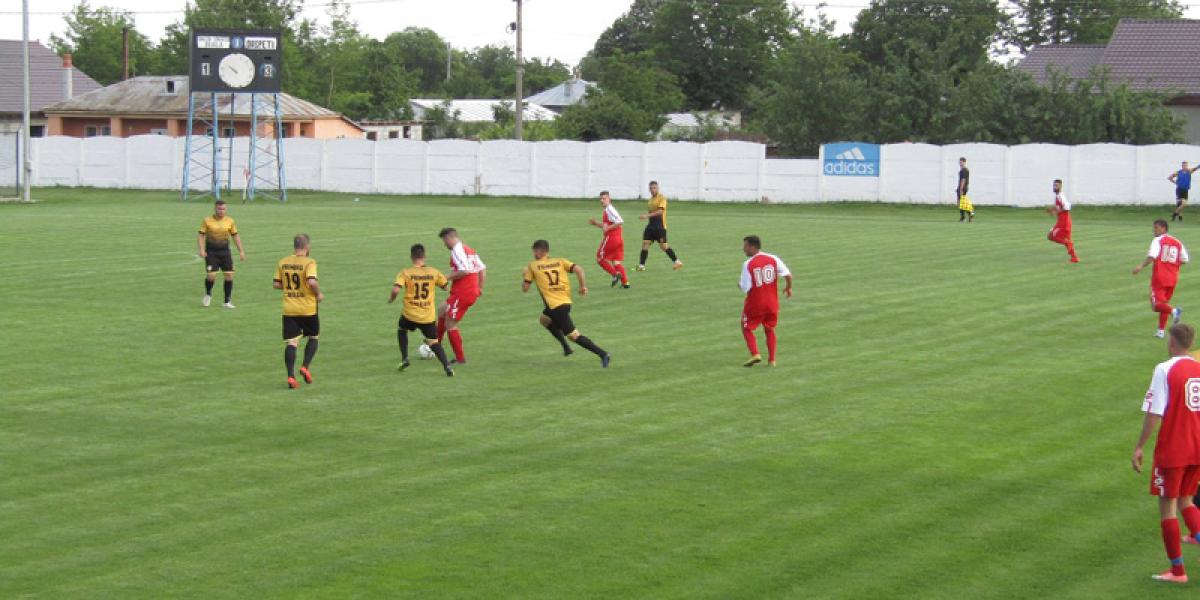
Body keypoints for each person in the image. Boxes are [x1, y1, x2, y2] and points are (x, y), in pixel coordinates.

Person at [1132, 323, 1200, 584]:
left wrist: (1139, 446)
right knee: (1187, 502)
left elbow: (1154, 413)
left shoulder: (1164, 369)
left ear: (1171, 342)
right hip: (1197, 447)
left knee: (1168, 508)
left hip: (1174, 449)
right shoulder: (1198, 367)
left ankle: (1178, 572)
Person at [522, 239, 611, 367]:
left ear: (539, 251)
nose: (534, 254)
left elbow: (525, 289)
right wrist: (582, 287)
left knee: (574, 336)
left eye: (534, 251)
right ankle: (566, 348)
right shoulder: (560, 261)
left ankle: (603, 354)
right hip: (565, 303)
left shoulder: (533, 266)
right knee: (544, 319)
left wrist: (525, 275)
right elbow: (579, 270)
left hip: (555, 308)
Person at [390, 243, 454, 377]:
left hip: (410, 314)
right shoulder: (433, 272)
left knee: (402, 330)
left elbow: (395, 290)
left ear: (411, 257)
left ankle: (405, 358)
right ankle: (447, 366)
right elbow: (445, 287)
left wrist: (391, 299)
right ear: (424, 256)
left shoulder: (406, 272)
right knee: (433, 342)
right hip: (427, 317)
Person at [273, 234, 322, 389]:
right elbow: (311, 281)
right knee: (313, 337)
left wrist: (291, 288)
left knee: (292, 342)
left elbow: (276, 284)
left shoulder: (283, 262)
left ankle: (290, 376)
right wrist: (318, 294)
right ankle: (305, 366)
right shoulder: (309, 262)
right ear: (307, 247)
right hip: (308, 308)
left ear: (295, 246)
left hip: (289, 309)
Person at [739, 236, 793, 367]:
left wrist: (739, 285)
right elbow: (788, 275)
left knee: (746, 327)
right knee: (769, 329)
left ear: (752, 247)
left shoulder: (748, 264)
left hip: (756, 303)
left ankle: (755, 354)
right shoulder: (773, 258)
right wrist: (788, 287)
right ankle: (772, 360)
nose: (743, 249)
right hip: (772, 303)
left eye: (745, 246)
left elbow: (746, 288)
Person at [436, 228, 486, 365]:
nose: (444, 244)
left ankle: (460, 358)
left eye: (444, 241)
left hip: (463, 292)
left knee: (450, 323)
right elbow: (482, 269)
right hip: (467, 291)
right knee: (442, 310)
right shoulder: (468, 249)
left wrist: (445, 277)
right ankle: (435, 345)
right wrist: (480, 288)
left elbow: (464, 271)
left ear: (449, 238)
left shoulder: (457, 250)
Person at [1134, 219, 1188, 338]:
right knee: (1163, 304)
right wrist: (1172, 265)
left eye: (1156, 228)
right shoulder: (1177, 241)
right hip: (1172, 278)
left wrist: (1140, 266)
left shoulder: (1158, 240)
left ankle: (1175, 311)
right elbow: (1185, 259)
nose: (1154, 230)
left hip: (1160, 277)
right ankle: (1161, 331)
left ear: (1163, 228)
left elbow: (1152, 256)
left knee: (1156, 305)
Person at [198, 199, 246, 308]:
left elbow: (235, 236)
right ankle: (208, 294)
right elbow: (201, 235)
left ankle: (227, 302)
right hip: (211, 252)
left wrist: (241, 251)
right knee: (211, 276)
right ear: (215, 209)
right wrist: (201, 249)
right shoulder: (207, 221)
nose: (221, 211)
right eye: (219, 209)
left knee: (229, 275)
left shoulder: (230, 221)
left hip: (225, 252)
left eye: (224, 209)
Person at [636, 181, 682, 271]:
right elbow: (651, 213)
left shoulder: (662, 198)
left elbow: (660, 212)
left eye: (654, 188)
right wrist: (648, 217)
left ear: (658, 188)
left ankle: (677, 262)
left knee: (664, 246)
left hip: (660, 227)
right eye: (651, 188)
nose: (652, 190)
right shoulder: (650, 200)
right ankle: (641, 266)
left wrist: (646, 216)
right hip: (651, 226)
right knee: (645, 244)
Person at [588, 190, 630, 289]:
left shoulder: (609, 209)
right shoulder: (608, 210)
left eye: (604, 198)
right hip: (618, 238)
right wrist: (597, 223)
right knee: (616, 262)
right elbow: (607, 225)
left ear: (609, 199)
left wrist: (608, 228)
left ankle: (615, 274)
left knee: (599, 258)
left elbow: (620, 221)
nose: (602, 200)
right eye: (601, 199)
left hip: (611, 238)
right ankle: (626, 283)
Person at [1046, 179, 1079, 263]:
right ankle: (1074, 258)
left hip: (1063, 223)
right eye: (1054, 185)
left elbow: (1067, 207)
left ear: (1060, 186)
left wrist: (1055, 211)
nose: (1055, 187)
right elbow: (1060, 207)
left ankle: (1068, 243)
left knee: (1051, 236)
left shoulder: (1060, 196)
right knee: (1065, 239)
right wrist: (1053, 209)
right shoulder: (1058, 196)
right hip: (1064, 222)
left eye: (1056, 185)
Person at [957, 157, 974, 222]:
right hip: (962, 187)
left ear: (964, 162)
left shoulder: (964, 170)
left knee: (961, 203)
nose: (960, 163)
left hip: (963, 188)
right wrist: (958, 188)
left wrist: (961, 189)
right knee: (961, 203)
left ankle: (965, 216)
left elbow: (963, 180)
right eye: (959, 162)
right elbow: (961, 180)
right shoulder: (963, 170)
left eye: (961, 162)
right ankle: (969, 214)